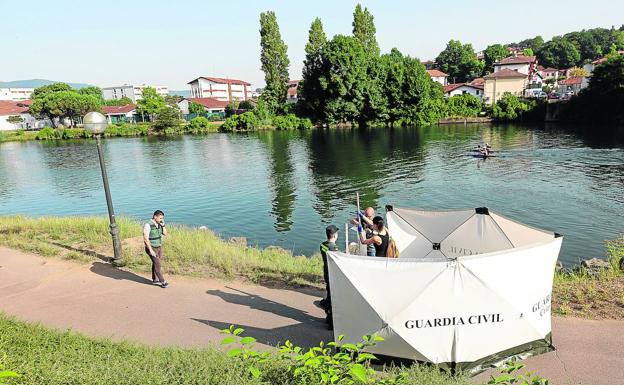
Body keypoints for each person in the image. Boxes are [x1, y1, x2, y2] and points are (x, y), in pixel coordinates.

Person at [319, 224, 339, 329]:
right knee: (332, 297)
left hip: (326, 271)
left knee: (329, 292)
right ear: (334, 235)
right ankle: (331, 321)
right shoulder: (333, 247)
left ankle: (327, 315)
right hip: (332, 273)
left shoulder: (322, 244)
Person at [143, 210, 169, 288]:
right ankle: (163, 282)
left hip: (159, 247)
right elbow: (145, 238)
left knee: (156, 263)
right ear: (155, 217)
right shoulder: (148, 225)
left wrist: (163, 225)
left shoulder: (159, 224)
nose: (161, 220)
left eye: (162, 218)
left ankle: (155, 279)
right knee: (158, 264)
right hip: (152, 247)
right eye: (160, 218)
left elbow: (165, 234)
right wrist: (150, 250)